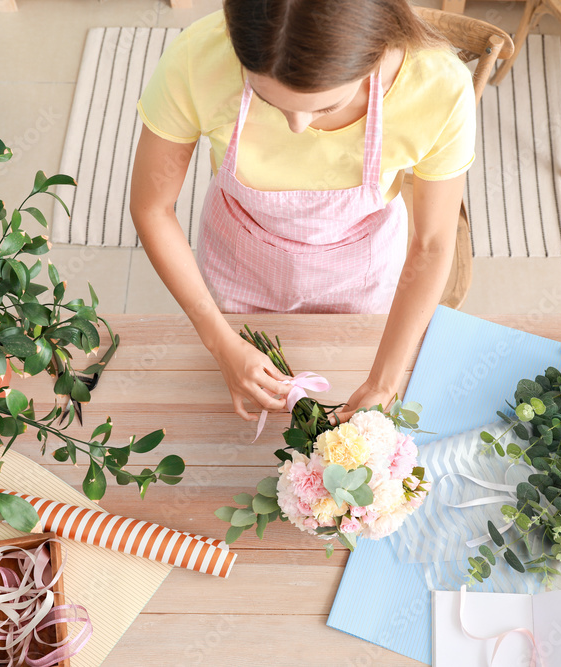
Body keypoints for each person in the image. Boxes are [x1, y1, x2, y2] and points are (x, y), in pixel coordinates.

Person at [129, 0, 476, 425]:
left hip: (361, 271)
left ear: (377, 50)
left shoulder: (439, 87)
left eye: (326, 107)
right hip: (241, 257)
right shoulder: (195, 58)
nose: (297, 126)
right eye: (267, 99)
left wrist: (384, 384)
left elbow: (433, 244)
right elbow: (153, 207)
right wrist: (220, 342)